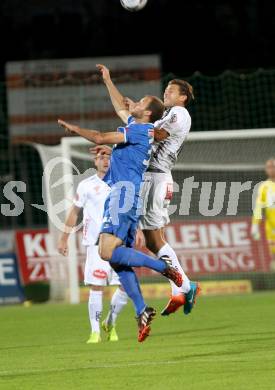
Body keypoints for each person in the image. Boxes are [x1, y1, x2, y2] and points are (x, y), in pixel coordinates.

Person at [58, 92, 183, 343]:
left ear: (147, 113)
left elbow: (99, 136)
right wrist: (106, 80)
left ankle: (164, 268)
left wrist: (74, 129)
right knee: (118, 261)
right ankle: (141, 310)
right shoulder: (138, 129)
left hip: (122, 195)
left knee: (106, 253)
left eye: (140, 103)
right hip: (127, 195)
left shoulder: (140, 129)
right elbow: (117, 117)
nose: (133, 103)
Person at [95, 64, 200, 316]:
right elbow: (124, 111)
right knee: (154, 240)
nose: (166, 93)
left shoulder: (179, 113)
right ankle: (180, 288)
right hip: (152, 178)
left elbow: (158, 133)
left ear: (182, 96)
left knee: (154, 240)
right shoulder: (161, 116)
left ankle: (185, 285)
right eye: (165, 90)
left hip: (155, 178)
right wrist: (110, 82)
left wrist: (139, 123)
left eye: (171, 91)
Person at [58, 150, 128, 344]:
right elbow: (74, 213)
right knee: (96, 287)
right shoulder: (86, 185)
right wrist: (64, 238)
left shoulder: (123, 183)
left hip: (119, 243)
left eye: (108, 157)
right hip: (95, 245)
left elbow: (131, 210)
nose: (105, 161)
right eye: (101, 157)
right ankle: (95, 332)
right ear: (95, 161)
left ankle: (110, 322)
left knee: (125, 286)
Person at [251, 158, 275, 269]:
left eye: (273, 166)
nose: (271, 169)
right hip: (272, 228)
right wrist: (255, 225)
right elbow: (259, 207)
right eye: (269, 167)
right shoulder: (264, 187)